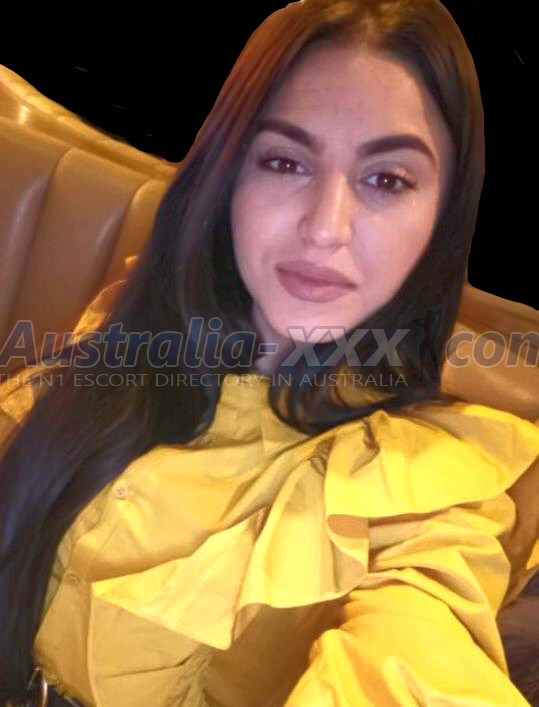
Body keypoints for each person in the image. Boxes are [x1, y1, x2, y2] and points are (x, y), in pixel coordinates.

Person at [0, 0, 538, 705]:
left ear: (442, 217)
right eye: (285, 162)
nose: (326, 227)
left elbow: (416, 656)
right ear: (228, 175)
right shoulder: (138, 319)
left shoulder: (426, 496)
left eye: (387, 179)